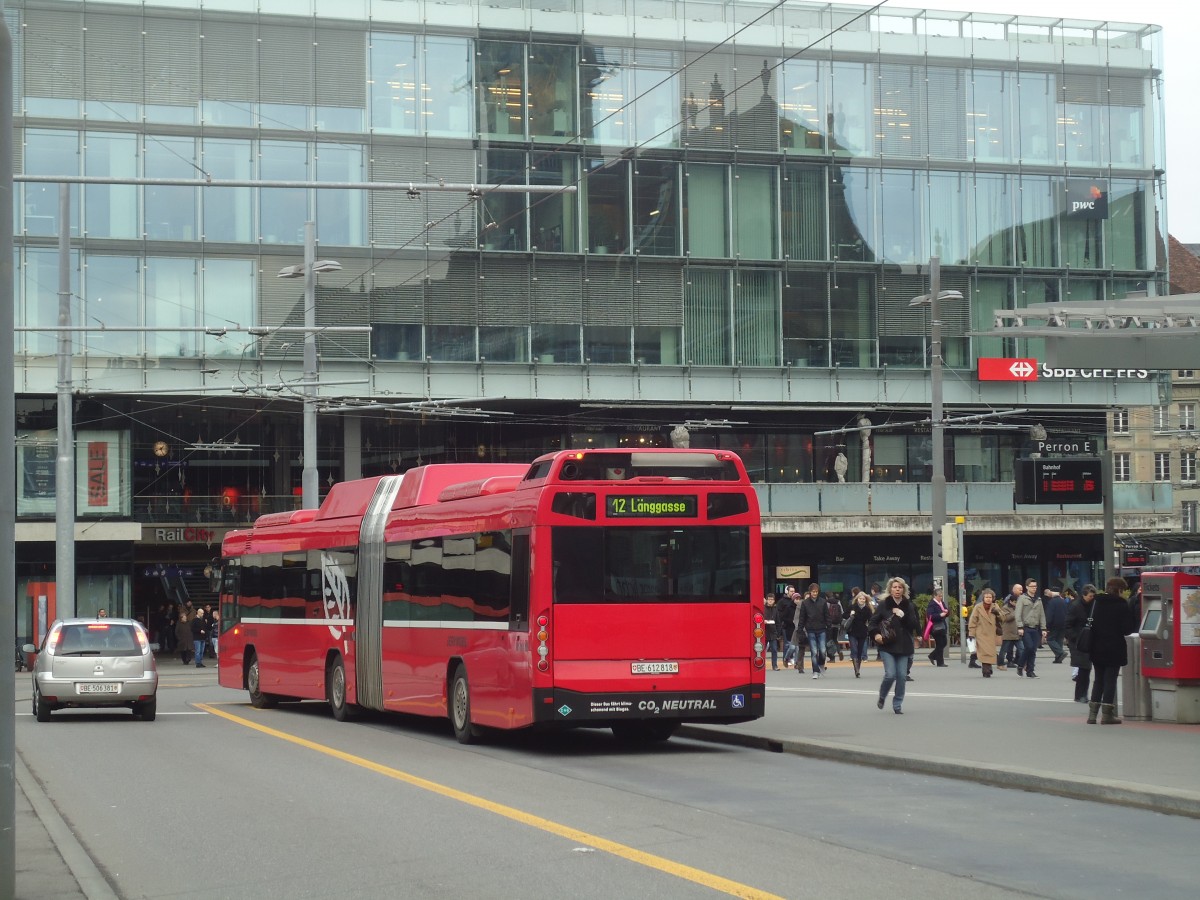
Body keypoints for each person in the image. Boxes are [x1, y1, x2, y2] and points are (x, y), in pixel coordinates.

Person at [1087, 577, 1139, 724]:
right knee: (1110, 680)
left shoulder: (1096, 602)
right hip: (1114, 648)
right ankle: (1107, 715)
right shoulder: (1121, 605)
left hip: (1096, 646)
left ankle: (1092, 715)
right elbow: (1127, 629)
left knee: (1098, 680)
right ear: (1119, 590)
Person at [869, 576, 918, 713]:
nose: (897, 589)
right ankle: (882, 696)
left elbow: (913, 624)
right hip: (887, 645)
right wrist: (876, 634)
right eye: (895, 587)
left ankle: (897, 704)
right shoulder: (884, 604)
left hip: (904, 646)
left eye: (900, 587)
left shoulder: (909, 605)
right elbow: (873, 622)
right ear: (890, 589)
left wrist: (902, 614)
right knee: (890, 675)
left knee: (901, 676)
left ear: (903, 590)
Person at [1065, 584, 1097, 703]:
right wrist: (1075, 637)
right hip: (1079, 641)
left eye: (1093, 596)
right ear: (1083, 595)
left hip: (1090, 640)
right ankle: (1082, 694)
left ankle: (1080, 694)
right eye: (1090, 596)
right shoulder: (1075, 606)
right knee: (1084, 667)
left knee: (1085, 669)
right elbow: (1068, 625)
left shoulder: (1094, 605)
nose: (1092, 598)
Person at [1014, 578, 1048, 678]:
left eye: (1035, 586)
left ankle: (1030, 671)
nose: (1034, 588)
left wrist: (1044, 628)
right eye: (1032, 586)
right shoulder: (1022, 598)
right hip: (1025, 627)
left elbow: (1042, 615)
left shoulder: (1038, 600)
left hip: (1035, 628)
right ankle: (1020, 665)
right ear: (1027, 587)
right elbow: (1017, 613)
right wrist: (1020, 626)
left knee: (1033, 650)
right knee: (1029, 647)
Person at [796, 582, 830, 679]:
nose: (815, 593)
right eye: (813, 591)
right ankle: (815, 671)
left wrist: (829, 627)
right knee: (814, 652)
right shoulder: (805, 603)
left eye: (816, 591)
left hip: (822, 629)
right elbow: (802, 618)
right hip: (810, 630)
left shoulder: (823, 602)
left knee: (823, 650)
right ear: (810, 592)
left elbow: (827, 616)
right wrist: (800, 630)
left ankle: (821, 663)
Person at [967, 588, 1001, 677]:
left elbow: (1003, 618)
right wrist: (971, 633)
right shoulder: (978, 607)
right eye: (986, 597)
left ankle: (988, 667)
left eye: (990, 597)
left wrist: (997, 613)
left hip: (991, 633)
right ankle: (986, 669)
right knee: (984, 652)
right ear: (983, 598)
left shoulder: (995, 606)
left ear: (993, 598)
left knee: (990, 652)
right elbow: (973, 620)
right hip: (981, 633)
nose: (988, 599)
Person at [844, 591, 873, 678]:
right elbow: (844, 615)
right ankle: (856, 670)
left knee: (860, 651)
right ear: (857, 599)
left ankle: (858, 669)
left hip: (862, 631)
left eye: (863, 599)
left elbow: (871, 619)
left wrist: (869, 627)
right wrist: (850, 615)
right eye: (860, 598)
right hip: (852, 631)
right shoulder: (852, 607)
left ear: (865, 600)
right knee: (854, 650)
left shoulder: (867, 609)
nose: (862, 600)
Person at [924, 587, 950, 667]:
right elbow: (930, 616)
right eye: (939, 596)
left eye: (941, 596)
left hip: (942, 625)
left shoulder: (941, 603)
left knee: (944, 642)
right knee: (940, 643)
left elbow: (946, 610)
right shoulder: (932, 604)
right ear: (935, 596)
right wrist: (940, 615)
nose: (940, 598)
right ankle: (940, 662)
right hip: (935, 627)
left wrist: (947, 612)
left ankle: (932, 655)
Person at [1043, 586, 1069, 663]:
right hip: (1063, 624)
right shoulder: (1063, 601)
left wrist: (1047, 626)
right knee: (1059, 640)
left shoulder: (1051, 602)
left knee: (1050, 639)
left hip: (1054, 625)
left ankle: (1061, 653)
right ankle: (1058, 658)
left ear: (1052, 592)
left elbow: (1049, 615)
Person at [778, 587, 798, 669]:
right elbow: (781, 615)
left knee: (797, 646)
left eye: (794, 591)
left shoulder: (799, 606)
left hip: (797, 628)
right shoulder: (783, 602)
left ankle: (796, 662)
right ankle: (786, 659)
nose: (792, 592)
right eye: (791, 591)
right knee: (788, 645)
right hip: (787, 627)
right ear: (787, 592)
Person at [825, 593, 846, 662]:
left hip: (829, 625)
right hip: (836, 625)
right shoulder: (838, 602)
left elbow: (825, 613)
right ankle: (839, 651)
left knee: (828, 641)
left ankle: (831, 657)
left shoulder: (826, 603)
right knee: (835, 639)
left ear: (826, 597)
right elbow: (842, 612)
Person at [764, 593, 780, 670]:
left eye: (772, 599)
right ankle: (761, 665)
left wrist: (778, 633)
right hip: (764, 632)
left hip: (773, 632)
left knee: (774, 649)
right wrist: (764, 621)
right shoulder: (763, 608)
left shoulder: (775, 609)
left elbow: (778, 622)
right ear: (766, 600)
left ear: (774, 601)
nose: (770, 601)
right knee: (762, 650)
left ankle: (775, 665)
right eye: (769, 599)